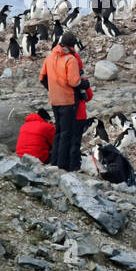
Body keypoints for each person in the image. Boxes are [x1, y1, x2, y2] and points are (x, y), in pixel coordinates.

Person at [39, 33, 89, 170]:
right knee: (67, 133)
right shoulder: (70, 59)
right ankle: (62, 166)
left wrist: (52, 89)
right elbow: (74, 81)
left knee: (58, 131)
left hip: (55, 100)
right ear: (72, 45)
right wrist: (85, 84)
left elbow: (42, 77)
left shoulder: (49, 57)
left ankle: (54, 162)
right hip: (68, 100)